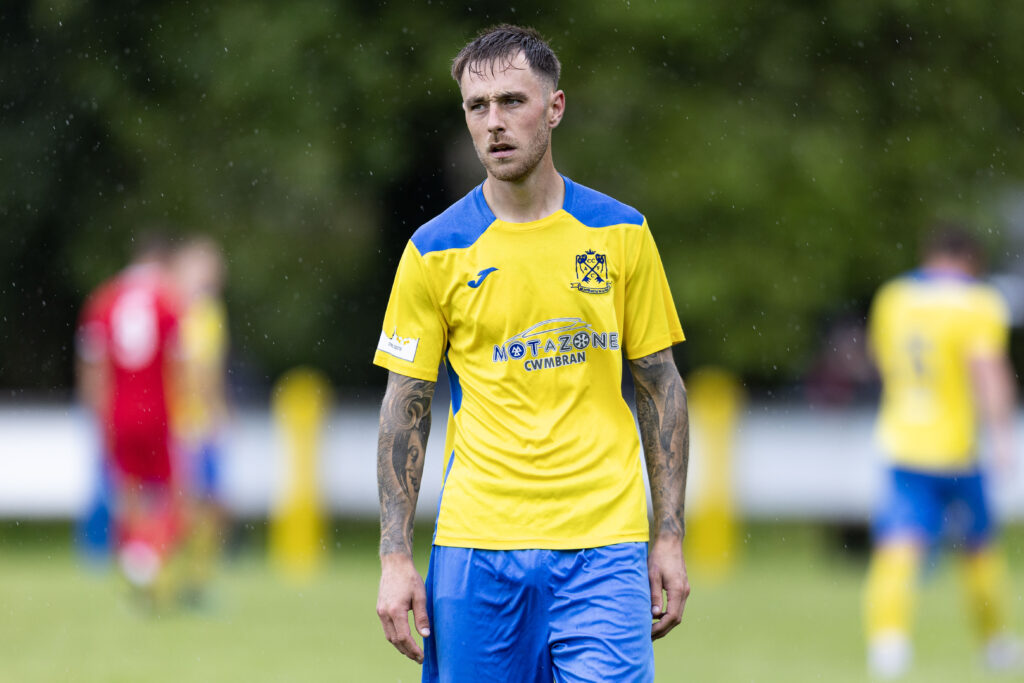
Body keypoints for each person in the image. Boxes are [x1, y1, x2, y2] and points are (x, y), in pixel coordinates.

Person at [372, 25, 690, 682]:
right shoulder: (434, 250)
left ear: (555, 107)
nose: (493, 123)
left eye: (512, 101)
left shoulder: (621, 234)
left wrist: (668, 533)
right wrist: (395, 556)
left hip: (603, 540)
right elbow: (405, 405)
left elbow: (662, 385)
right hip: (477, 545)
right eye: (476, 107)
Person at [863, 225, 1020, 677]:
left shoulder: (894, 296)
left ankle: (888, 645)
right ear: (971, 259)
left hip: (902, 440)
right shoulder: (979, 302)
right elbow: (986, 370)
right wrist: (1004, 437)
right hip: (957, 448)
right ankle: (994, 644)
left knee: (898, 544)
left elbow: (881, 359)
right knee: (978, 547)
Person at [76, 233, 184, 603]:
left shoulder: (103, 299)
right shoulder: (168, 302)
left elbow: (92, 365)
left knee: (128, 491)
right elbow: (179, 363)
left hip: (117, 409)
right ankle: (147, 558)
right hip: (158, 409)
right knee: (171, 493)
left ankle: (136, 558)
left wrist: (96, 412)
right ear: (163, 263)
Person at [170, 236, 230, 602]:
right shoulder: (183, 311)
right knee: (191, 505)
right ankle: (177, 581)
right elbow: (190, 370)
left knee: (209, 505)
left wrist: (220, 410)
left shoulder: (209, 311)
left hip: (202, 423)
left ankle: (193, 581)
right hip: (186, 425)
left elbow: (212, 369)